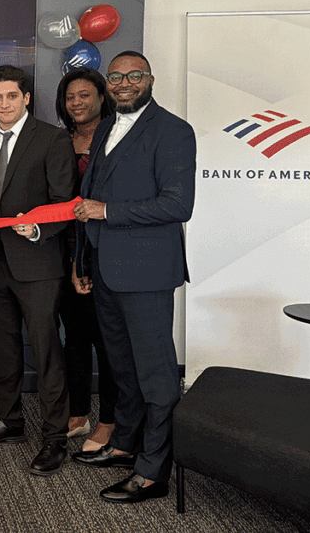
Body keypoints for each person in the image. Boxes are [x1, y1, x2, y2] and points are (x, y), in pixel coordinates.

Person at [71, 51, 196, 504]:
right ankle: (125, 444)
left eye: (134, 76)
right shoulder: (106, 125)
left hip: (146, 273)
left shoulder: (174, 131)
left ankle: (153, 471)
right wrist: (83, 261)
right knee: (121, 368)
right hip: (105, 270)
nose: (124, 83)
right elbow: (90, 196)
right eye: (117, 76)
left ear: (150, 79)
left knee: (156, 374)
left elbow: (178, 205)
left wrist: (110, 213)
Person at [0, 65, 76, 477]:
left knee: (47, 352)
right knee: (3, 350)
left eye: (11, 96)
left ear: (26, 98)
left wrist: (38, 228)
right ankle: (9, 420)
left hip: (37, 263)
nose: (4, 104)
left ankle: (54, 437)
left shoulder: (52, 138)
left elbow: (65, 203)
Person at [54, 67, 118, 452]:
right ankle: (78, 414)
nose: (77, 102)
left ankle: (109, 421)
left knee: (107, 341)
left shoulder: (116, 138)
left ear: (100, 97)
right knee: (74, 339)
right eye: (70, 97)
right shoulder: (59, 140)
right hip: (66, 253)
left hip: (106, 252)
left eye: (84, 95)